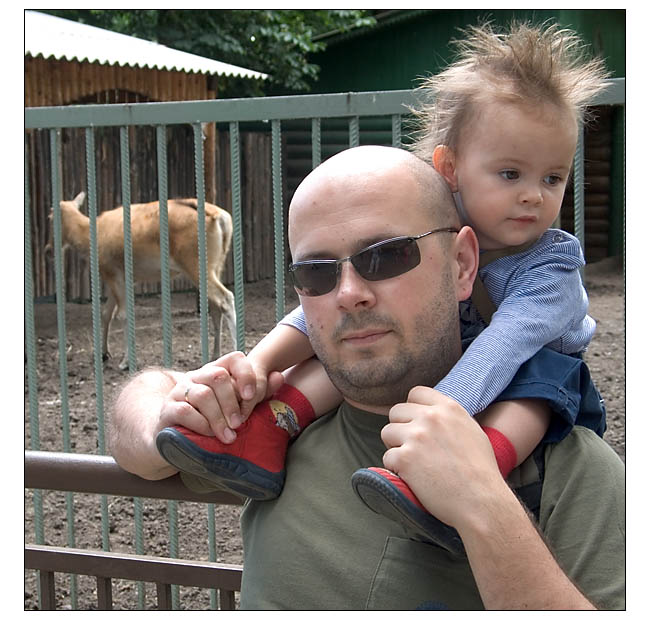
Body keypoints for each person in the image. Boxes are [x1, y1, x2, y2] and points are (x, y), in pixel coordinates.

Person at [109, 144, 624, 610]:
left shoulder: (565, 470)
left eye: (386, 255)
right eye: (316, 271)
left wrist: (485, 508)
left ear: (463, 264)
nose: (349, 293)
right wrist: (169, 416)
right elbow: (137, 405)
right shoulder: (268, 423)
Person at [153, 20, 609, 537]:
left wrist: (428, 429)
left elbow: (500, 350)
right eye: (511, 174)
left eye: (553, 177)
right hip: (456, 358)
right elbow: (330, 300)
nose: (533, 195)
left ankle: (467, 475)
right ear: (451, 168)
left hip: (524, 376)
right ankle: (268, 430)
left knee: (536, 387)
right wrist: (256, 366)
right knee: (356, 328)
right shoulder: (430, 225)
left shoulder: (551, 270)